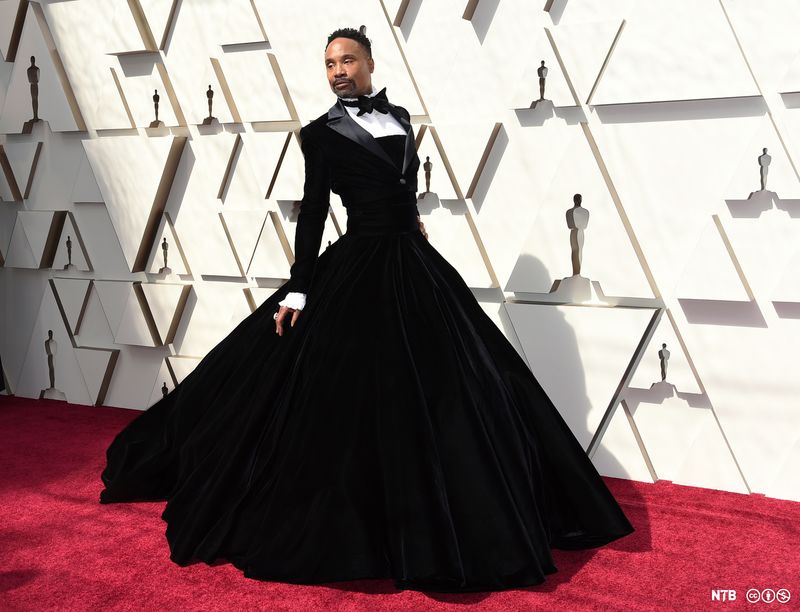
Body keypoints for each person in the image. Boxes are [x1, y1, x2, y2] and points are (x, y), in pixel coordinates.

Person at [99, 26, 634, 593]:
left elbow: (402, 186)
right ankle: (366, 526)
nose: (337, 71)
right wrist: (300, 288)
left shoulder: (402, 117)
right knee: (347, 395)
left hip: (415, 262)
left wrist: (411, 221)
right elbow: (311, 213)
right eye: (329, 63)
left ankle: (466, 515)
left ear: (370, 63)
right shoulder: (319, 135)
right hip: (358, 265)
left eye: (348, 60)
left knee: (462, 388)